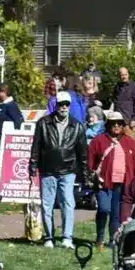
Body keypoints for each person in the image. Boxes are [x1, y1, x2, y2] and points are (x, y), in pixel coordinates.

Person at [30, 92, 86, 249]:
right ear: (56, 105)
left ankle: (67, 237)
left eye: (67, 104)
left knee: (68, 203)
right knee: (47, 205)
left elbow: (82, 153)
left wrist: (85, 174)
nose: (64, 107)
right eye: (61, 104)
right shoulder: (43, 123)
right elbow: (36, 146)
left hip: (68, 170)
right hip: (47, 169)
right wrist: (33, 165)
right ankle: (49, 237)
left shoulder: (77, 125)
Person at [88, 111, 135, 249]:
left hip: (123, 183)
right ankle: (100, 237)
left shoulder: (130, 143)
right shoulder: (98, 141)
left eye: (119, 123)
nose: (116, 126)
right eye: (113, 123)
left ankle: (113, 239)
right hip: (103, 183)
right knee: (104, 209)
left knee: (116, 213)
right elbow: (90, 162)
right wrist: (92, 175)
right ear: (108, 125)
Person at [0, 84, 23, 160]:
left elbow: (18, 121)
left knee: (0, 160)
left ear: (4, 92)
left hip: (2, 138)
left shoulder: (11, 105)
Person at [113, 67, 135, 135]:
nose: (124, 77)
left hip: (128, 122)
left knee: (130, 144)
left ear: (128, 75)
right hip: (118, 121)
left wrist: (134, 119)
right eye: (122, 75)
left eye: (125, 74)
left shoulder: (134, 86)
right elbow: (115, 102)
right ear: (119, 76)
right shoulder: (117, 86)